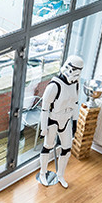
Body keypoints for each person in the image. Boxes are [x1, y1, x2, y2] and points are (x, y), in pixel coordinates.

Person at [37, 55, 82, 188]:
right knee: (48, 146)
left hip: (66, 119)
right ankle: (43, 173)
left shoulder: (76, 84)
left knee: (66, 149)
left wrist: (74, 122)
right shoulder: (54, 86)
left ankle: (60, 174)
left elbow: (75, 103)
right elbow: (44, 108)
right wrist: (43, 128)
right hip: (53, 120)